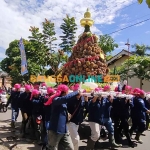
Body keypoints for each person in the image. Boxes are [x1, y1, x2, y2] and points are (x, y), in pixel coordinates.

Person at [46, 84, 81, 150]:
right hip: (55, 130)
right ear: (64, 92)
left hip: (64, 130)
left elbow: (70, 100)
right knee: (52, 148)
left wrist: (78, 97)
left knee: (70, 148)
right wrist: (76, 91)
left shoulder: (63, 100)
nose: (68, 92)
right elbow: (65, 98)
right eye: (67, 91)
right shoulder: (56, 99)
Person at [67, 84, 89, 150]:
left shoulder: (82, 99)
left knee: (72, 138)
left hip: (78, 121)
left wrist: (86, 101)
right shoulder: (70, 100)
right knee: (76, 138)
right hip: (71, 121)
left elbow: (87, 109)